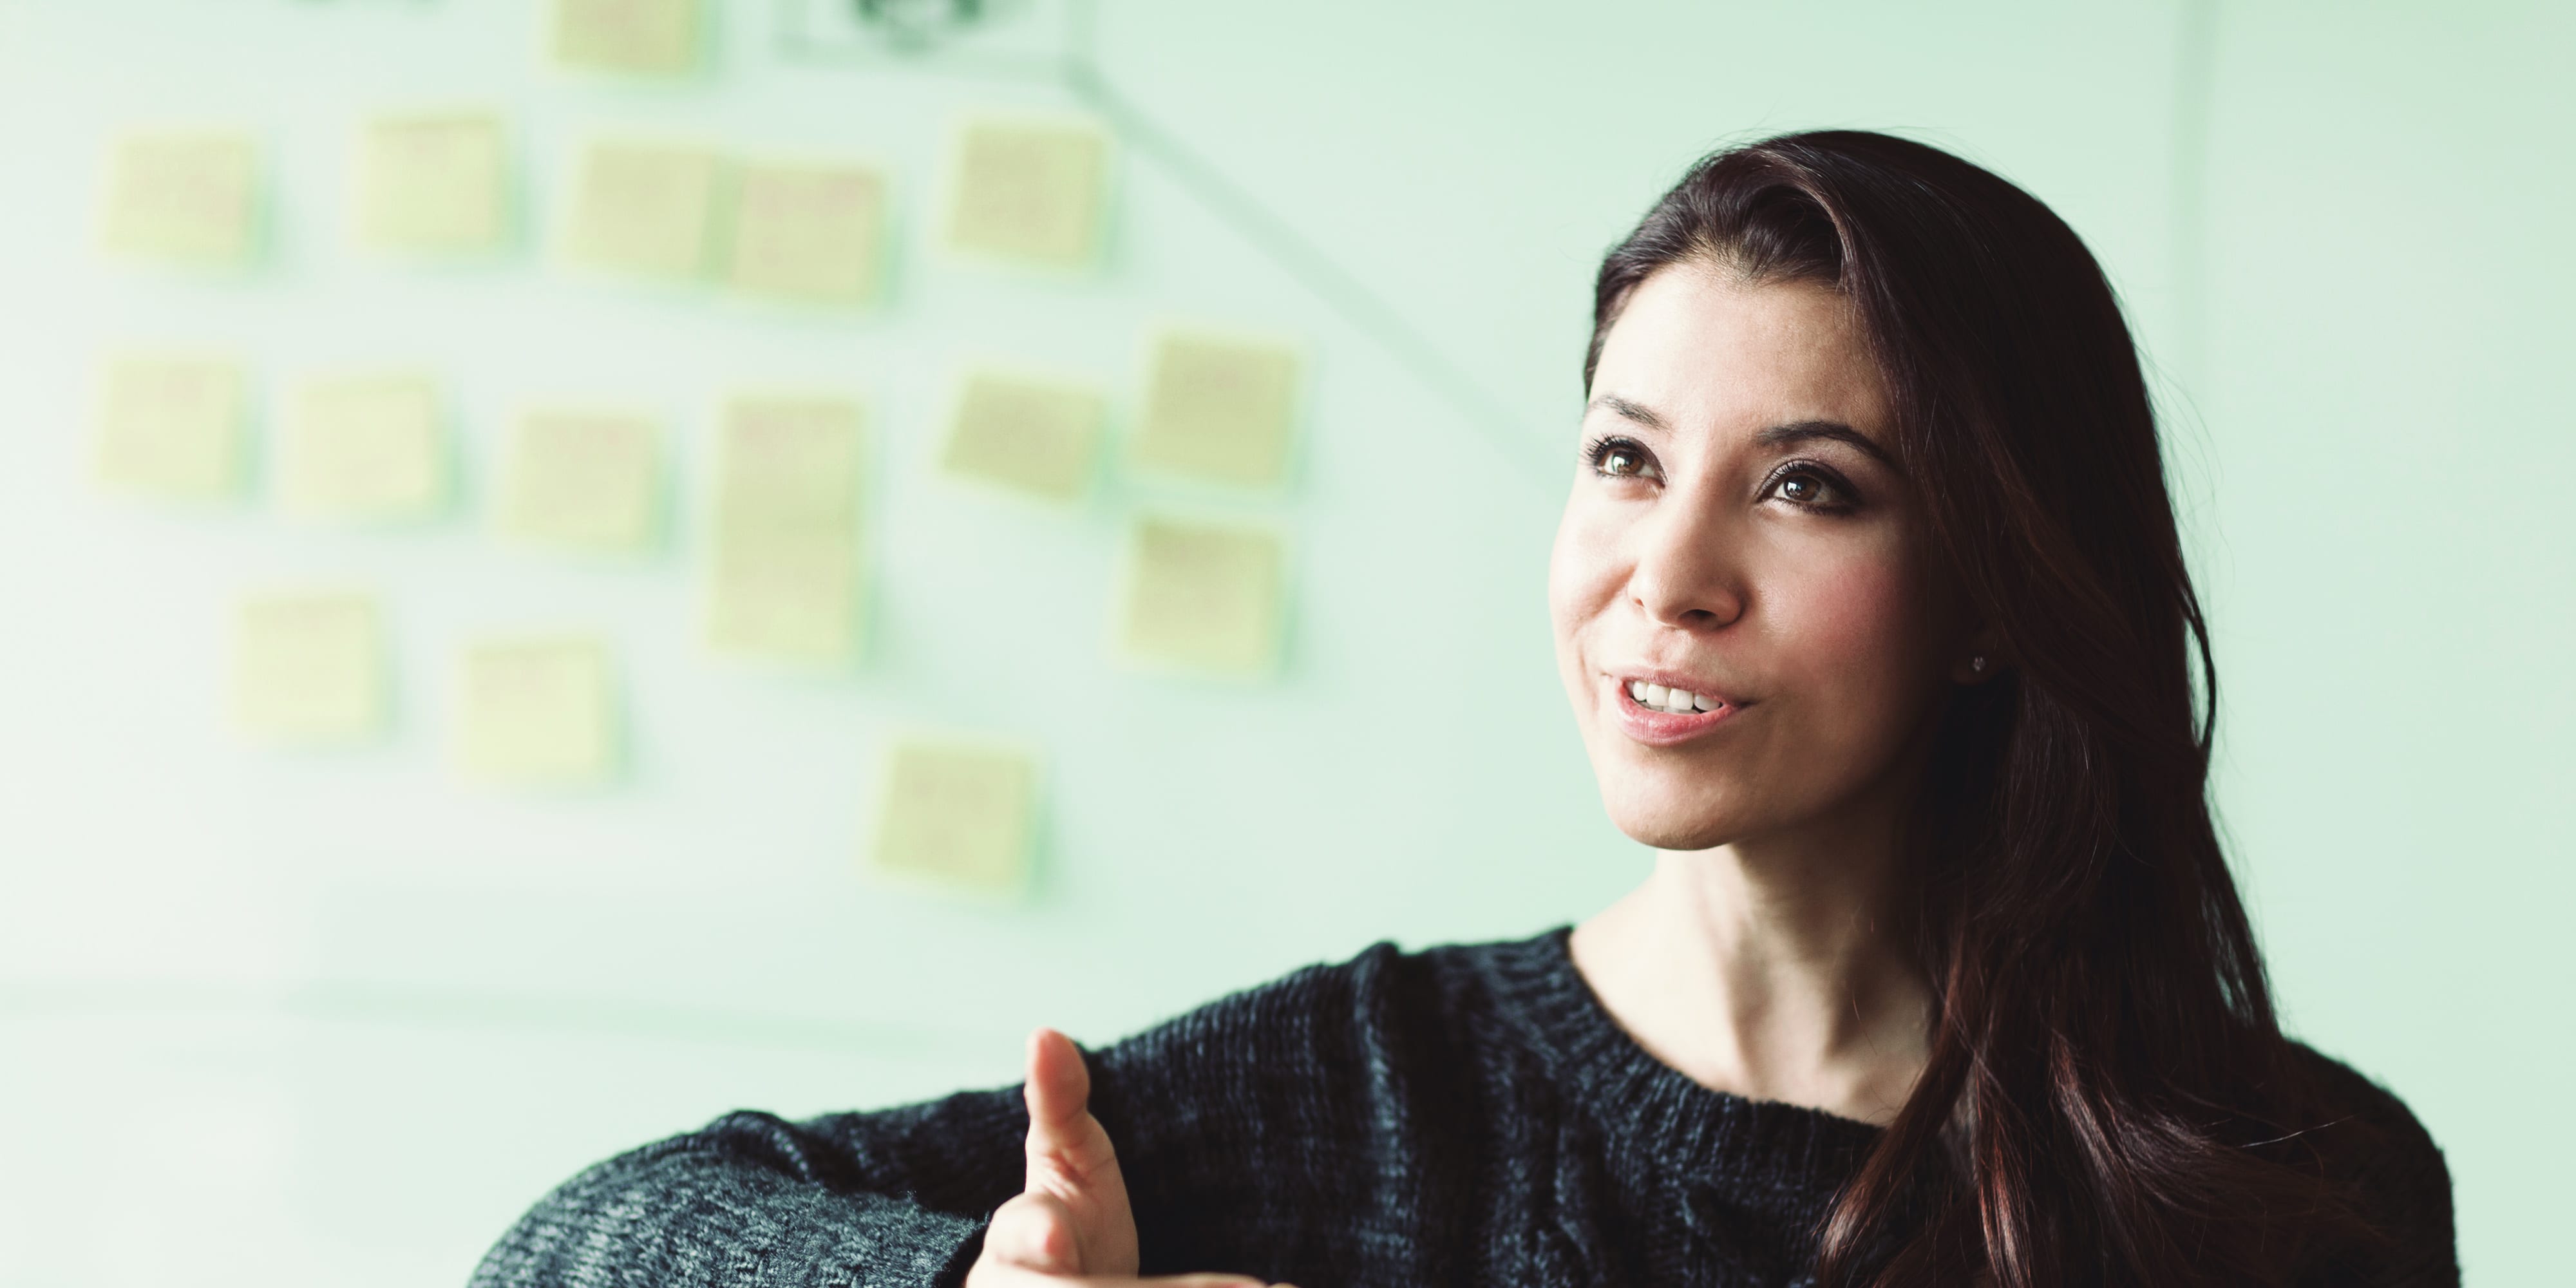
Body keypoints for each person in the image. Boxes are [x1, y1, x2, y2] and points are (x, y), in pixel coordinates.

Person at [469, 130, 2457, 1288]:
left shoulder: (2302, 1186)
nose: (1662, 575)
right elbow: (564, 1249)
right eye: (1621, 459)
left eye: (1808, 484)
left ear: (1991, 596)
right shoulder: (1366, 1099)